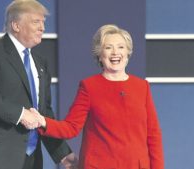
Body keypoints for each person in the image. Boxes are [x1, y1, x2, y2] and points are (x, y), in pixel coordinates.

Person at [0, 1, 77, 169]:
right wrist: (21, 114)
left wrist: (62, 153)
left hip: (30, 160)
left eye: (43, 23)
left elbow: (43, 113)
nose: (42, 28)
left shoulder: (41, 63)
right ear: (16, 25)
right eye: (36, 22)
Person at [29, 24, 164, 169]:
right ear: (100, 55)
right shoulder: (89, 87)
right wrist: (42, 121)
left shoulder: (142, 87)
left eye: (120, 47)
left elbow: (153, 135)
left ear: (128, 52)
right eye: (108, 47)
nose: (115, 52)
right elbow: (71, 127)